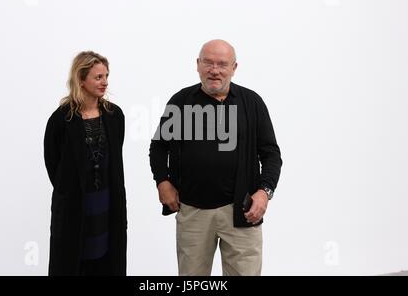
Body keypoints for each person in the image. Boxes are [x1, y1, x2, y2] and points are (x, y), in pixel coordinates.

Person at [149, 39, 282, 276]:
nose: (214, 70)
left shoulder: (252, 103)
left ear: (234, 67)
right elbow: (159, 147)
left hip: (243, 211)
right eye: (208, 62)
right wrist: (162, 181)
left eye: (222, 64)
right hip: (193, 211)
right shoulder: (181, 102)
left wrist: (265, 192)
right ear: (197, 64)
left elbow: (271, 154)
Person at [44, 51, 127, 276]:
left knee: (106, 260)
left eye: (106, 76)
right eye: (98, 77)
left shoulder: (114, 115)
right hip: (75, 205)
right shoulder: (62, 119)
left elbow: (115, 158)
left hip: (108, 203)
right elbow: (53, 163)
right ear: (81, 79)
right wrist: (70, 189)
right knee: (73, 261)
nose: (105, 82)